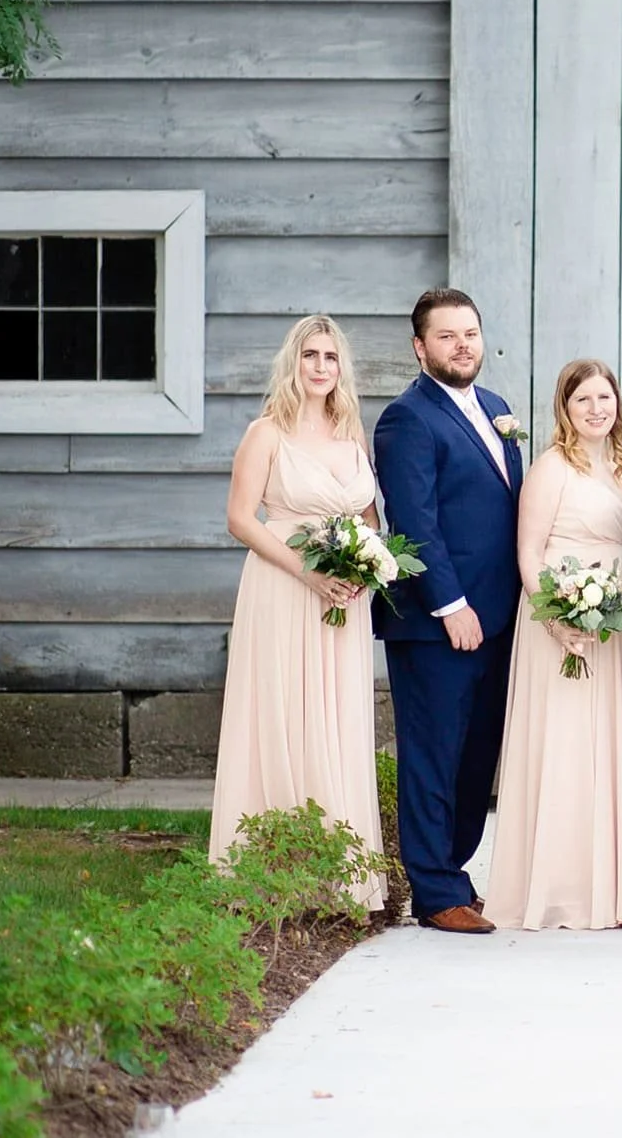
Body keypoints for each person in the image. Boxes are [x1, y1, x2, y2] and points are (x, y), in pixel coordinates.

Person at [211, 314, 386, 909]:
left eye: (330, 357)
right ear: (293, 362)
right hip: (285, 588)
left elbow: (367, 517)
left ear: (342, 368)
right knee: (285, 714)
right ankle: (273, 869)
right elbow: (240, 518)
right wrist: (309, 572)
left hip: (345, 598)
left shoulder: (350, 434)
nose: (320, 367)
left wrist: (368, 566)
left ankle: (339, 875)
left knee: (336, 718)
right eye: (310, 355)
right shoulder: (267, 433)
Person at [372, 288, 523, 934]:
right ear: (419, 347)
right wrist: (451, 604)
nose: (462, 345)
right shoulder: (406, 419)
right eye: (446, 336)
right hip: (439, 622)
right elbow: (415, 520)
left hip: (498, 618)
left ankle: (454, 873)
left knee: (476, 756)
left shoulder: (496, 409)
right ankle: (434, 891)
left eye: (470, 333)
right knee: (434, 753)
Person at [486, 360, 622, 930]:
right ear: (565, 408)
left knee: (614, 741)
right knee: (567, 742)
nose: (596, 409)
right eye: (583, 400)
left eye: (604, 398)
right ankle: (561, 887)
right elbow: (529, 554)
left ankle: (615, 887)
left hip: (617, 619)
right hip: (563, 620)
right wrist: (556, 620)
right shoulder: (552, 468)